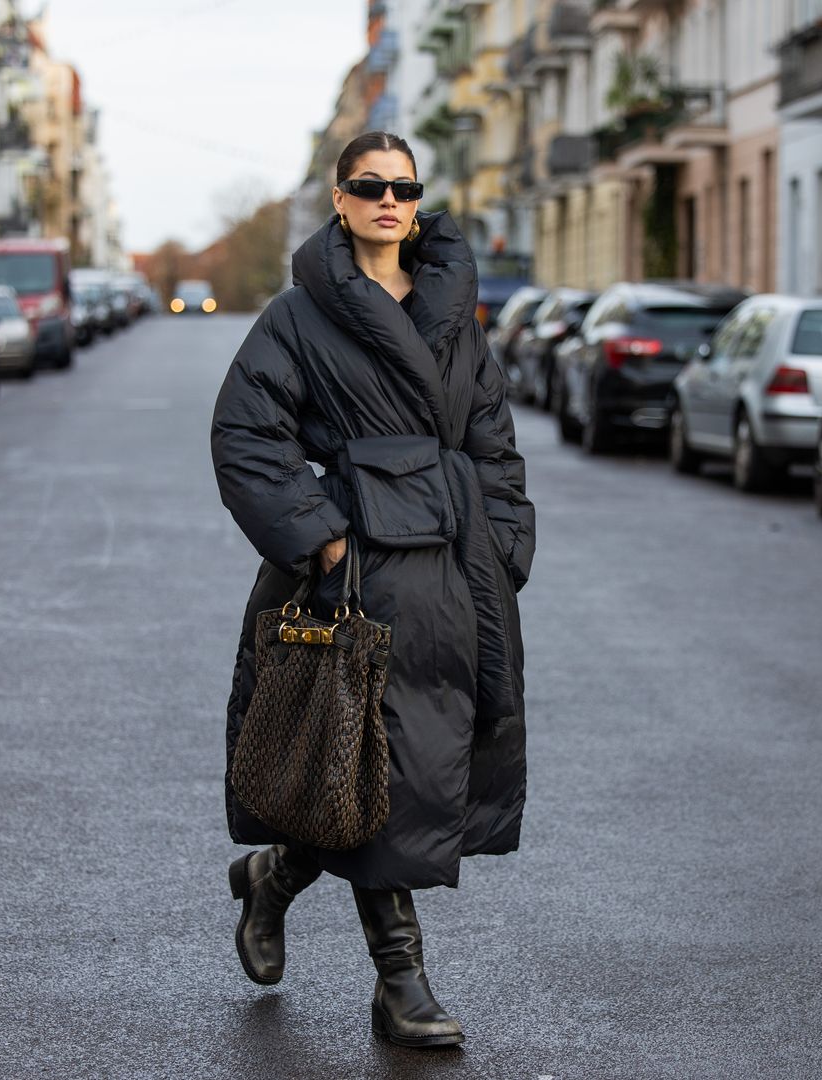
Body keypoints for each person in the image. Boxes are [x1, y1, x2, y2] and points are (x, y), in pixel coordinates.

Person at [211, 131, 535, 1048]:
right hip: (349, 575)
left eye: (404, 187)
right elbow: (246, 433)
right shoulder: (298, 316)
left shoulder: (453, 311)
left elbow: (493, 442)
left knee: (396, 768)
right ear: (341, 200)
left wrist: (502, 542)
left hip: (452, 573)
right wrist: (321, 537)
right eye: (369, 186)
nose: (388, 200)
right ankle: (403, 983)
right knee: (369, 762)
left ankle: (274, 878)